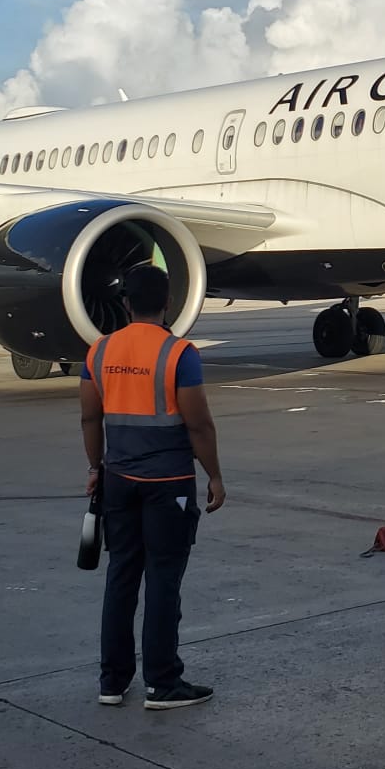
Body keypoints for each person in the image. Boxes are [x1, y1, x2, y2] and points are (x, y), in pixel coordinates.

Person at [78, 264, 225, 710]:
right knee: (163, 580)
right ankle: (162, 682)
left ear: (124, 304)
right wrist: (214, 475)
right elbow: (198, 423)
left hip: (118, 479)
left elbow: (90, 417)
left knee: (121, 576)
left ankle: (112, 680)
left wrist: (95, 467)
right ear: (168, 304)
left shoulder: (99, 351)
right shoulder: (179, 354)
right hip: (168, 484)